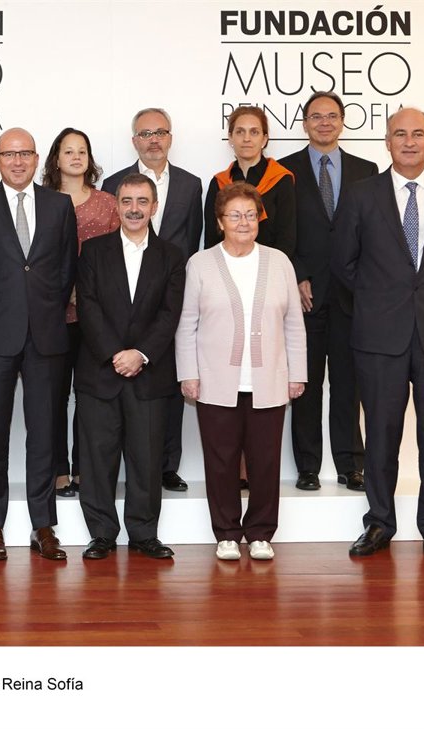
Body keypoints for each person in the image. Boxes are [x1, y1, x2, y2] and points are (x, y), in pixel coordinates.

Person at [334, 108, 424, 562]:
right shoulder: (361, 194)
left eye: (418, 134)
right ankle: (380, 522)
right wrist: (381, 297)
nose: (410, 141)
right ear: (387, 141)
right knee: (380, 432)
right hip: (379, 333)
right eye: (400, 134)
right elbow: (343, 262)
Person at [0, 128, 78, 561]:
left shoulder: (59, 205)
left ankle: (42, 524)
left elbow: (66, 269)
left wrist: (45, 309)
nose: (17, 161)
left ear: (35, 158)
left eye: (25, 154)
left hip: (46, 335)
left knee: (44, 434)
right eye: (9, 155)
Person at [176, 183, 306, 561]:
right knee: (221, 461)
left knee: (265, 462)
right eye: (234, 215)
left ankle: (261, 533)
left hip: (269, 381)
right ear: (220, 222)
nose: (244, 222)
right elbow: (187, 323)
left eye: (250, 215)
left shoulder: (279, 262)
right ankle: (227, 533)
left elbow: (294, 324)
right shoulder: (200, 264)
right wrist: (188, 373)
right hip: (214, 381)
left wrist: (297, 373)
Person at [75, 174, 184, 560]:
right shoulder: (93, 251)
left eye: (142, 201)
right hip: (100, 372)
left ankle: (143, 533)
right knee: (97, 459)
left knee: (147, 459)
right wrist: (115, 354)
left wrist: (140, 354)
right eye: (126, 201)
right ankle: (102, 534)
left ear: (154, 206)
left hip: (149, 374)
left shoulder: (172, 256)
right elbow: (87, 306)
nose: (134, 209)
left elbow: (170, 314)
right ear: (116, 206)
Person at [278, 92, 378, 492]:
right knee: (304, 382)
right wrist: (297, 275)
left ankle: (350, 464)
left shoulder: (367, 170)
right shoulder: (284, 171)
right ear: (304, 123)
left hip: (353, 294)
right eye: (316, 116)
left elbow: (375, 231)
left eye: (332, 116)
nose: (324, 123)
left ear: (342, 122)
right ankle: (307, 466)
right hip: (305, 292)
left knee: (348, 383)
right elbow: (281, 232)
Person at [102, 108, 203, 493]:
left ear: (170, 137)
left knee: (168, 380)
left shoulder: (191, 184)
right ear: (134, 141)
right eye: (145, 133)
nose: (154, 139)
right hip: (125, 299)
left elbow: (193, 241)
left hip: (170, 298)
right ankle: (127, 465)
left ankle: (167, 465)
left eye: (160, 131)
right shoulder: (113, 183)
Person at [41, 127, 120, 498]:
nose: (75, 157)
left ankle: (85, 470)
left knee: (91, 399)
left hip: (97, 317)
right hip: (53, 316)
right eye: (68, 151)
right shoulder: (40, 202)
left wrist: (87, 293)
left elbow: (119, 258)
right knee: (54, 397)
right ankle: (58, 470)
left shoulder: (108, 203)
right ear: (56, 159)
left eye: (82, 151)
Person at [204, 106, 296, 256]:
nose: (246, 139)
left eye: (254, 132)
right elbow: (212, 240)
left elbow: (287, 239)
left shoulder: (281, 179)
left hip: (271, 265)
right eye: (240, 132)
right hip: (227, 266)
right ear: (230, 137)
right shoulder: (218, 183)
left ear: (264, 139)